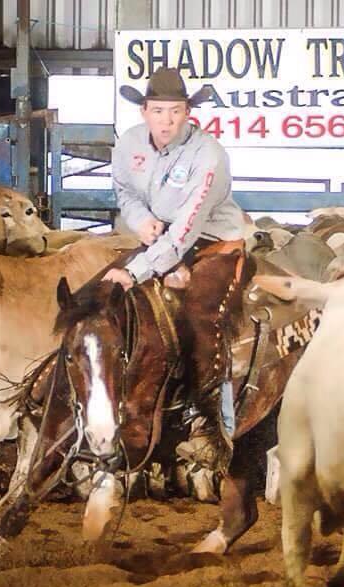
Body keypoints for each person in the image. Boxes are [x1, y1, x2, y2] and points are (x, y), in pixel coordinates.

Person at [103, 66, 244, 473]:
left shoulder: (209, 155)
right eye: (158, 111)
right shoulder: (129, 144)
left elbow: (186, 229)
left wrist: (136, 271)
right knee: (102, 298)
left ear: (188, 113)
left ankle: (216, 428)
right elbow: (124, 191)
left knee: (202, 317)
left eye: (175, 111)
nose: (166, 121)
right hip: (156, 238)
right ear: (144, 111)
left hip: (211, 243)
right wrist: (139, 220)